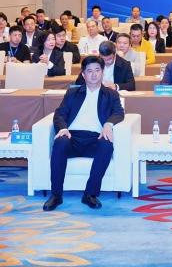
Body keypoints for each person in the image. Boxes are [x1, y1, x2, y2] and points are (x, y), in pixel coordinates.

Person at [45, 56, 125, 211]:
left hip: (95, 137)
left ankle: (90, 194)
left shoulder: (111, 94)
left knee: (107, 145)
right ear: (83, 74)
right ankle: (56, 195)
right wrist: (63, 128)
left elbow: (119, 113)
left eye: (97, 70)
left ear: (102, 72)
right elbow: (59, 114)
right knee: (60, 141)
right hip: (72, 137)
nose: (94, 74)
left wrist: (108, 124)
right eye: (89, 71)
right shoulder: (72, 93)